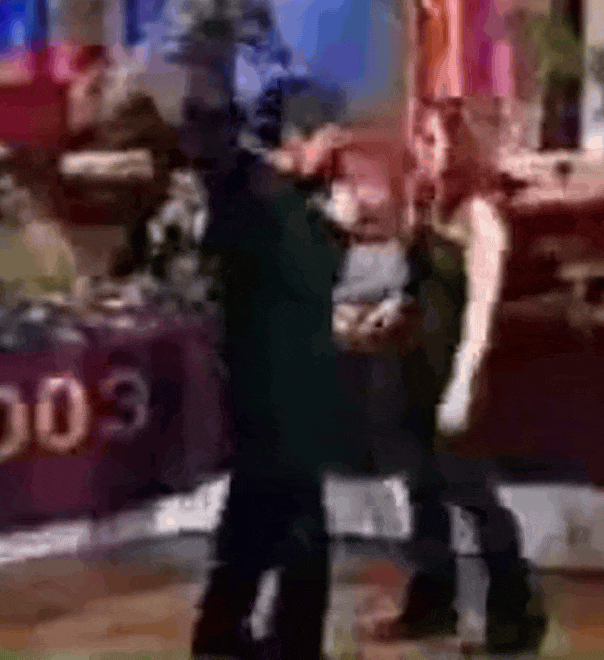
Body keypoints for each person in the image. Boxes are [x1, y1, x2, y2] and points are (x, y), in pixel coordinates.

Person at [355, 97, 547, 653]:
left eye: (433, 140)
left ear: (458, 149)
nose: (423, 150)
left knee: (472, 494)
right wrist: (389, 309)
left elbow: (480, 313)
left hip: (456, 371)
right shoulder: (430, 205)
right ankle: (431, 606)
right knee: (422, 492)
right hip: (414, 365)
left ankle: (517, 619)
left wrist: (462, 386)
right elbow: (417, 284)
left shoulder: (480, 217)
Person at [189, 110, 353, 660]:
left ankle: (222, 634)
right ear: (298, 140)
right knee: (298, 522)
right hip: (285, 392)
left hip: (259, 387)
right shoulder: (271, 200)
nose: (331, 154)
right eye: (326, 140)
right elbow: (314, 276)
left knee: (253, 517)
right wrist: (338, 227)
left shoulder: (247, 188)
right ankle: (289, 642)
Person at [0, 166, 82, 306]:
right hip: (14, 315)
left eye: (19, 188)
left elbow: (75, 284)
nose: (16, 198)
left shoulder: (53, 234)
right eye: (5, 193)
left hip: (56, 313)